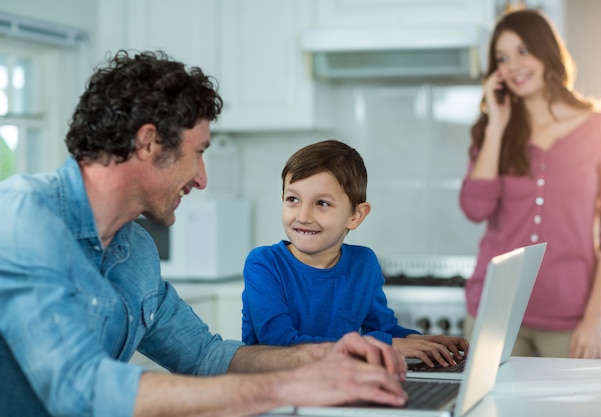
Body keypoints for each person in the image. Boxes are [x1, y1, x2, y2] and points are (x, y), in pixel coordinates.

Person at [0, 50, 411, 417]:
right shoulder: (23, 217)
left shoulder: (135, 248)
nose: (202, 178)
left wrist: (325, 355)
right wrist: (289, 386)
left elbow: (206, 355)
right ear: (149, 143)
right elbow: (79, 388)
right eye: (197, 153)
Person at [460, 8, 601, 359]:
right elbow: (475, 209)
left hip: (571, 317)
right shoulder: (494, 131)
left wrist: (594, 319)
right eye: (501, 58)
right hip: (494, 312)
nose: (513, 66)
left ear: (546, 51)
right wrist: (496, 126)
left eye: (523, 51)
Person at [241, 139, 469, 368]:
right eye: (293, 199)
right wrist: (387, 343)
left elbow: (383, 330)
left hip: (338, 386)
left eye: (321, 203)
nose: (303, 216)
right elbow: (279, 344)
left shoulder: (363, 264)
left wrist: (421, 341)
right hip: (275, 390)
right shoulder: (264, 264)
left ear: (356, 215)